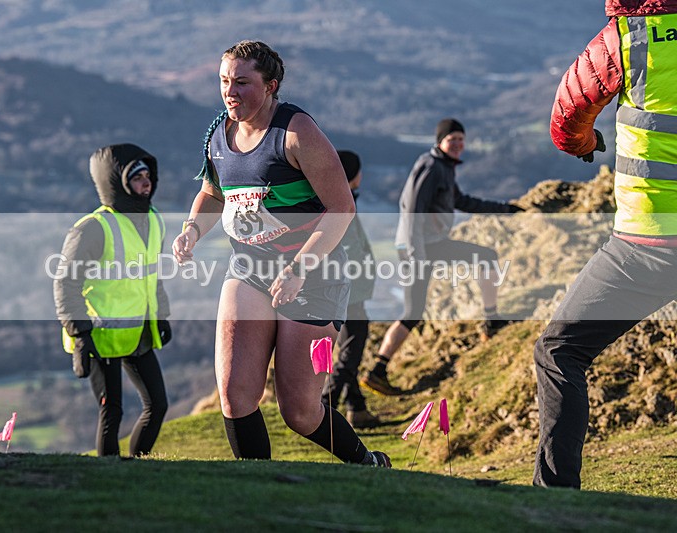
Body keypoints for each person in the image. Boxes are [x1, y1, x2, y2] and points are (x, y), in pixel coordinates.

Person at [172, 40, 390, 467]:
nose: (230, 92)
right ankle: (258, 485)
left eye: (242, 82)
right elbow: (212, 193)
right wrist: (191, 231)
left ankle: (367, 463)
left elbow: (342, 207)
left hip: (314, 274)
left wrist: (298, 267)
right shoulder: (220, 132)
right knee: (235, 394)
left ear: (271, 85)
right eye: (223, 82)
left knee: (300, 412)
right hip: (250, 269)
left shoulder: (296, 133)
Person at [534, 0, 677, 489]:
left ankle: (554, 497)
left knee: (560, 352)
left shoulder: (628, 38)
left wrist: (586, 144)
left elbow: (566, 119)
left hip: (648, 244)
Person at [361, 118, 523, 396]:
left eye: (461, 138)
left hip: (431, 244)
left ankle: (378, 370)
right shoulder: (431, 166)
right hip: (419, 248)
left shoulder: (444, 168)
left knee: (482, 260)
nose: (458, 144)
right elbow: (412, 210)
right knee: (414, 310)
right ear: (440, 142)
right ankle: (377, 370)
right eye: (452, 139)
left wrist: (505, 209)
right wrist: (415, 255)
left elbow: (461, 201)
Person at [54, 143, 171, 457]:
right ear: (116, 183)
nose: (146, 182)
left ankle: (136, 467)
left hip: (137, 333)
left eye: (148, 175)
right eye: (136, 177)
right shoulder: (93, 228)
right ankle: (108, 475)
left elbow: (152, 275)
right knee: (112, 412)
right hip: (99, 336)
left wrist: (161, 316)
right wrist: (80, 335)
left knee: (157, 406)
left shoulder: (154, 220)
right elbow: (66, 283)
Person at [321, 150, 381, 428]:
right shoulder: (340, 204)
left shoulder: (336, 199)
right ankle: (325, 402)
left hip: (345, 285)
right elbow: (347, 247)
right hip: (347, 286)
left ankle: (356, 408)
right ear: (351, 175)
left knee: (347, 345)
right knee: (353, 345)